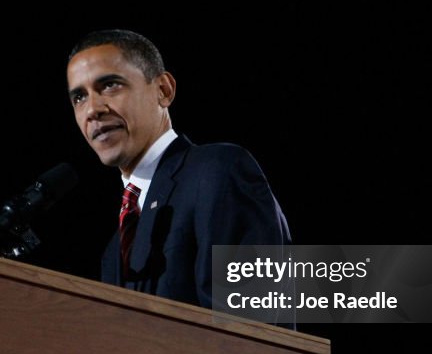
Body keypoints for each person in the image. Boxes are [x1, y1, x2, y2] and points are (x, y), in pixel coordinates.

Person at [66, 29, 291, 310]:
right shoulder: (115, 248)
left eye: (110, 85)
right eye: (79, 97)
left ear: (164, 90)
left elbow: (255, 330)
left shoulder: (216, 172)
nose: (92, 110)